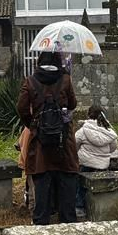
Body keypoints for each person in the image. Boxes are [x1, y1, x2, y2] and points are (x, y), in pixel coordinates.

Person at [19, 50, 80, 225]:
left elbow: (21, 107)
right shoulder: (66, 79)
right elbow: (73, 104)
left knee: (42, 183)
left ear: (39, 61)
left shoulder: (30, 82)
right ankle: (68, 223)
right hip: (64, 139)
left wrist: (33, 125)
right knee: (67, 180)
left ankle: (41, 225)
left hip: (40, 141)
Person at [76, 106, 118, 172]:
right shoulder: (108, 132)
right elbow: (113, 147)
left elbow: (75, 145)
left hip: (85, 164)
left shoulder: (82, 131)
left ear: (88, 115)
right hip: (103, 165)